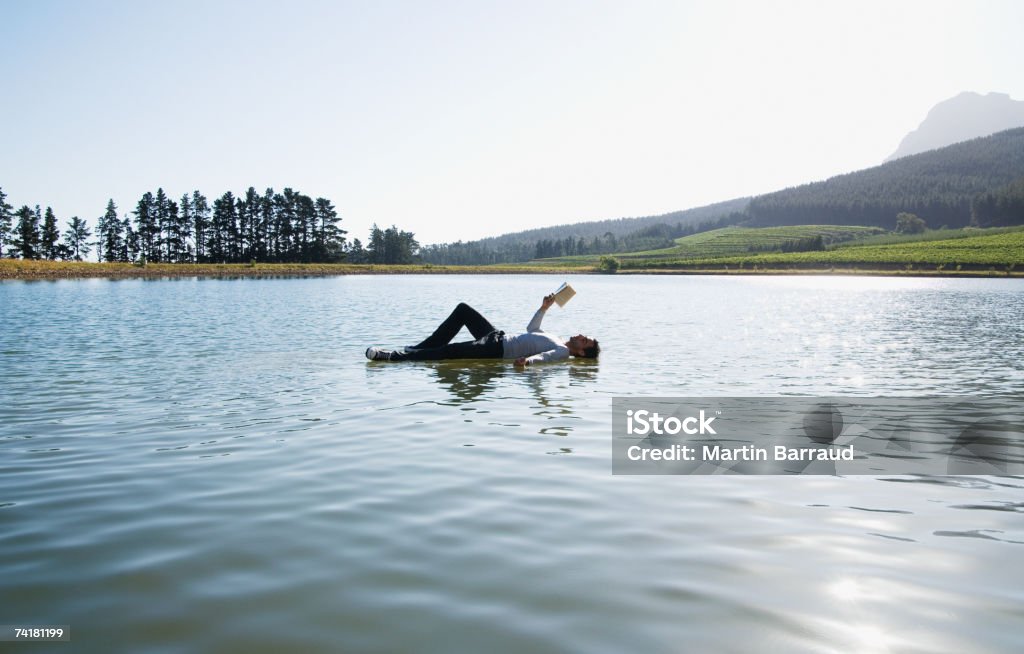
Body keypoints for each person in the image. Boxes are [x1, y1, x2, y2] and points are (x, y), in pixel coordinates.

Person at [365, 294, 599, 365]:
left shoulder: (561, 351)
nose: (580, 336)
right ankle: (418, 349)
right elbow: (532, 328)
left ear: (580, 353)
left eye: (584, 340)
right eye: (583, 335)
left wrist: (528, 362)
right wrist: (544, 307)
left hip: (497, 349)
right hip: (497, 336)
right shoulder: (557, 337)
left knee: (450, 351)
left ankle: (392, 357)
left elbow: (544, 357)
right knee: (463, 310)